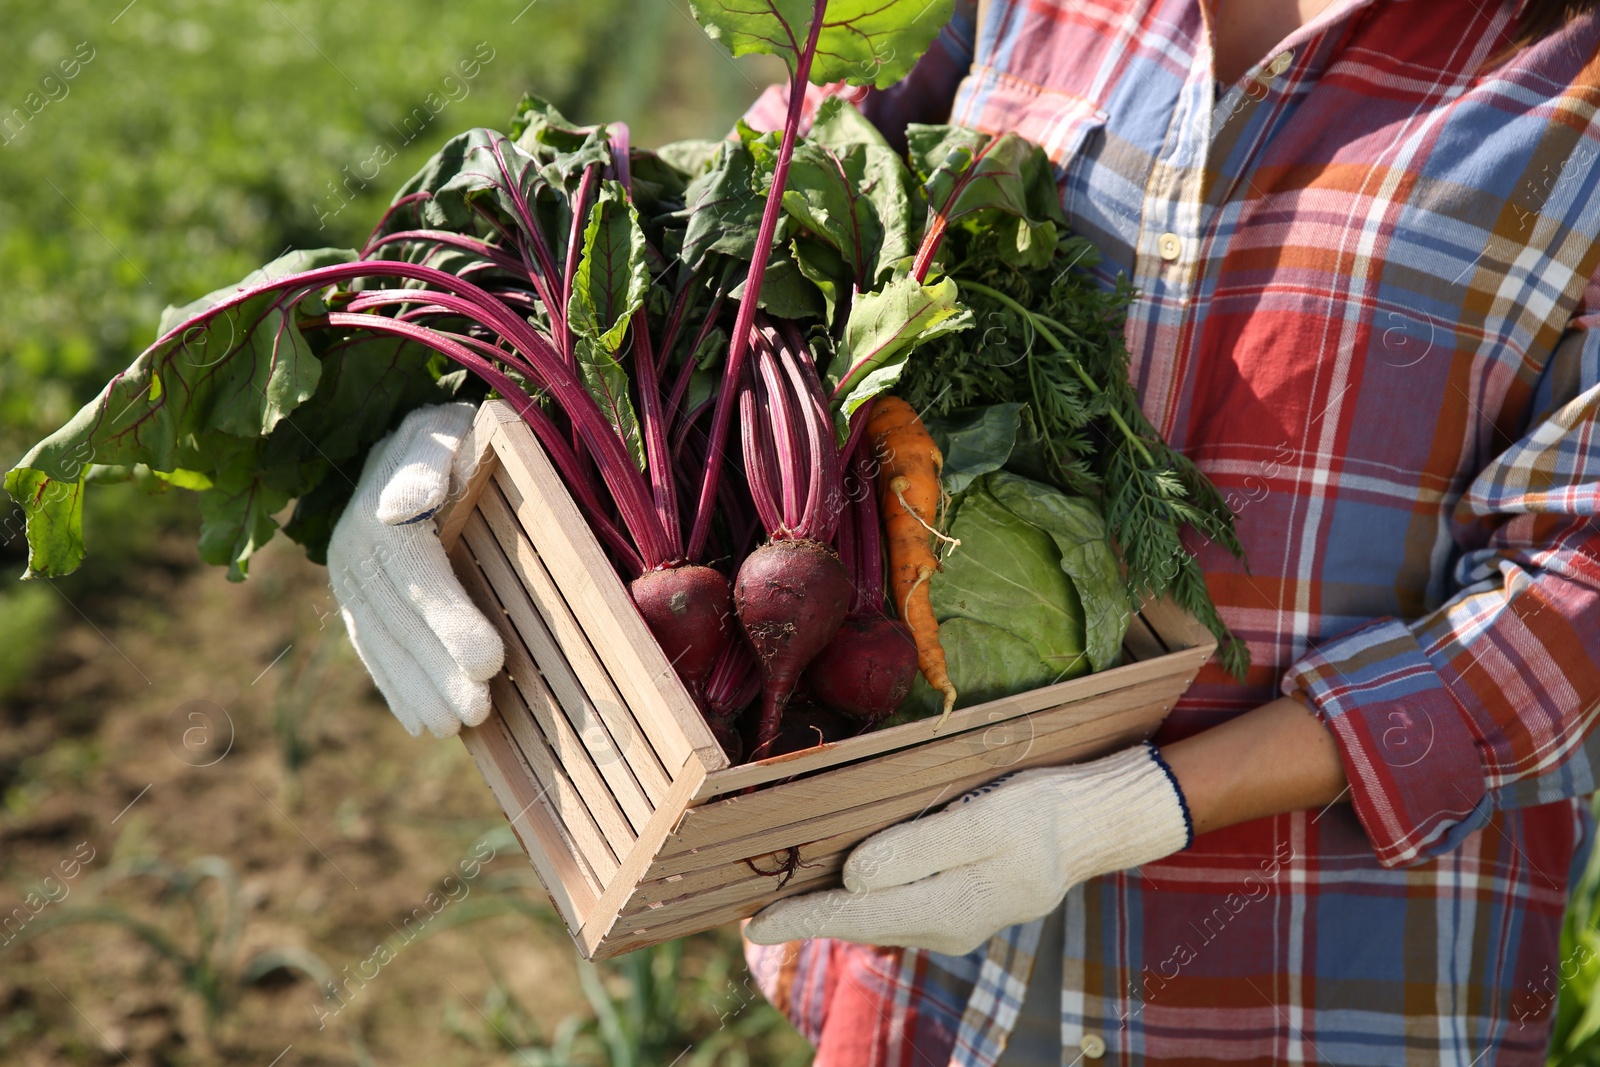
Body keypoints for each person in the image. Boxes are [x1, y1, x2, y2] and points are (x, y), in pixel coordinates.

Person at [326, 0, 1600, 1062]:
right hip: (912, 980)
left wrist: (1127, 806)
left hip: (1308, 991)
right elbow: (751, 215)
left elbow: (1573, 593)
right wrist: (471, 408)